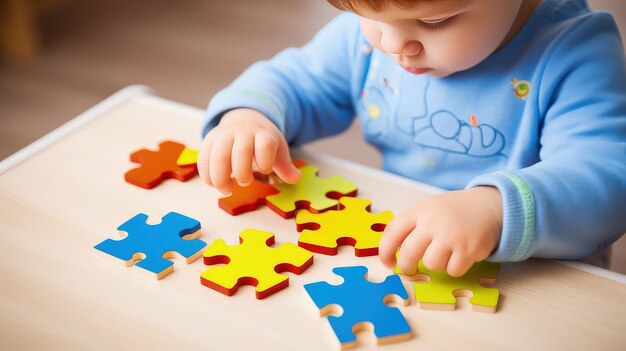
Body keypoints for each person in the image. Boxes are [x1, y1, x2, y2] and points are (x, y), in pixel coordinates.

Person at [197, 0, 626, 277]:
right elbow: (299, 81)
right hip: (411, 258)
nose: (394, 43)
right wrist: (249, 116)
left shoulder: (574, 51)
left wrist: (495, 211)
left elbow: (608, 179)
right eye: (366, 15)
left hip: (541, 275)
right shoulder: (378, 30)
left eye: (433, 21)